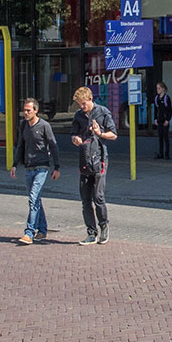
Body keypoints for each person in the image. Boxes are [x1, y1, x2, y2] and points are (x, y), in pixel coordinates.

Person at [9, 98, 61, 244]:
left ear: (35, 110)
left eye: (28, 110)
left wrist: (57, 167)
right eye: (24, 110)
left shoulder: (44, 126)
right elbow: (20, 145)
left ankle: (29, 232)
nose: (25, 113)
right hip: (28, 167)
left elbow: (53, 146)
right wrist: (14, 164)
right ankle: (43, 230)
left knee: (33, 198)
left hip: (42, 167)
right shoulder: (23, 125)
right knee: (35, 199)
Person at [71, 86, 117, 245]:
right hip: (84, 159)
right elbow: (74, 134)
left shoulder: (102, 112)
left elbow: (114, 134)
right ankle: (91, 232)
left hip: (100, 159)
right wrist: (75, 139)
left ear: (90, 99)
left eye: (83, 103)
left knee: (98, 197)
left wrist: (100, 134)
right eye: (79, 104)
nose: (81, 107)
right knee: (85, 199)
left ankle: (104, 226)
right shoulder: (78, 116)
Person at [152, 81, 172, 159]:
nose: (157, 90)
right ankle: (161, 153)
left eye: (159, 88)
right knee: (160, 137)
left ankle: (167, 154)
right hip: (159, 120)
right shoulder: (156, 98)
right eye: (157, 88)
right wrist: (155, 119)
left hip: (165, 120)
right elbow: (155, 109)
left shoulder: (167, 98)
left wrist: (168, 119)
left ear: (163, 89)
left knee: (165, 137)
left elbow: (170, 110)